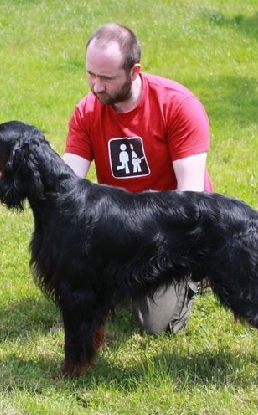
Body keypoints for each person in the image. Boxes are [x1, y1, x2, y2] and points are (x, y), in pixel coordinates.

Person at [63, 23, 214, 334]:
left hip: (171, 234)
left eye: (106, 77)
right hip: (120, 229)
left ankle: (196, 276)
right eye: (91, 74)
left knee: (153, 324)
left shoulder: (177, 105)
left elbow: (190, 200)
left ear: (134, 72)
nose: (96, 87)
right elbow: (66, 187)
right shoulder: (87, 112)